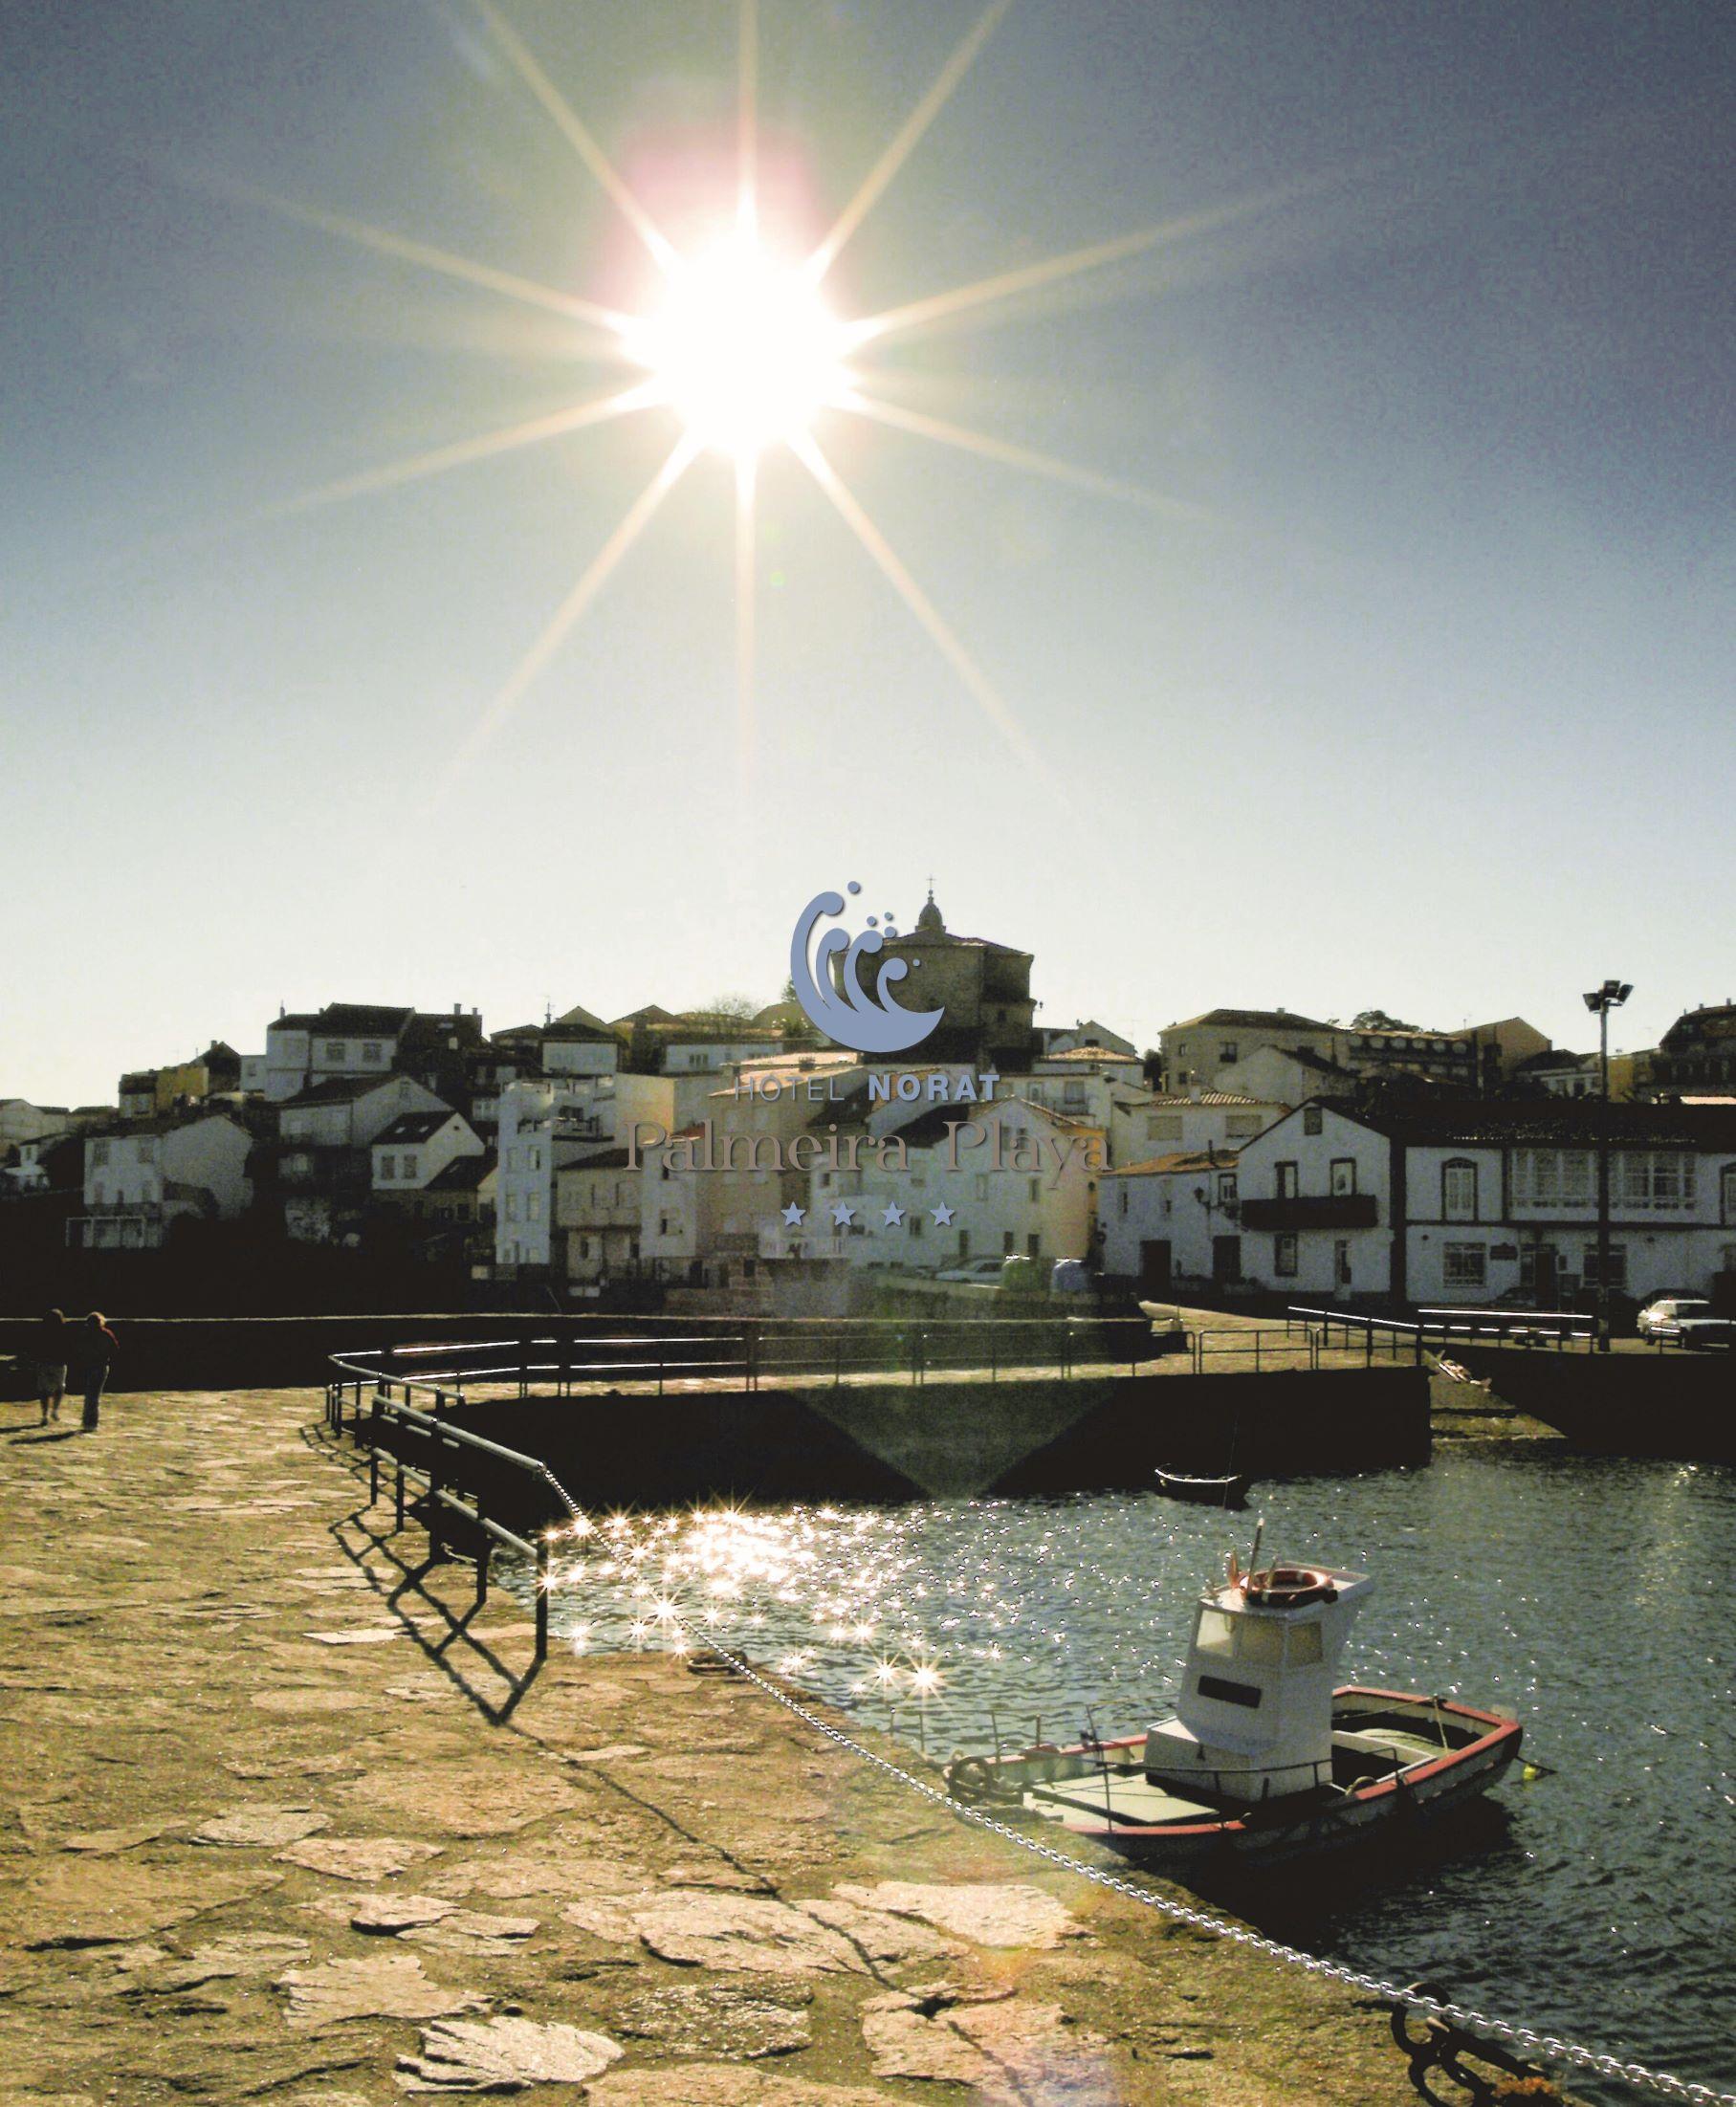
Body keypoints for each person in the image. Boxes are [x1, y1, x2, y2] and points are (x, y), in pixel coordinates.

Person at [75, 1312, 118, 1433]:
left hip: (91, 1366)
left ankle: (89, 1421)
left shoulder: (86, 1335)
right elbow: (115, 1349)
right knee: (94, 1395)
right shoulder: (106, 1334)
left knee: (90, 1394)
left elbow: (80, 1350)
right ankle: (91, 1421)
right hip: (102, 1365)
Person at [34, 1308, 68, 1426]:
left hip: (44, 1363)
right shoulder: (64, 1332)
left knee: (44, 1391)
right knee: (59, 1388)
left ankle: (44, 1415)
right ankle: (54, 1410)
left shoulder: (41, 1332)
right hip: (58, 1363)